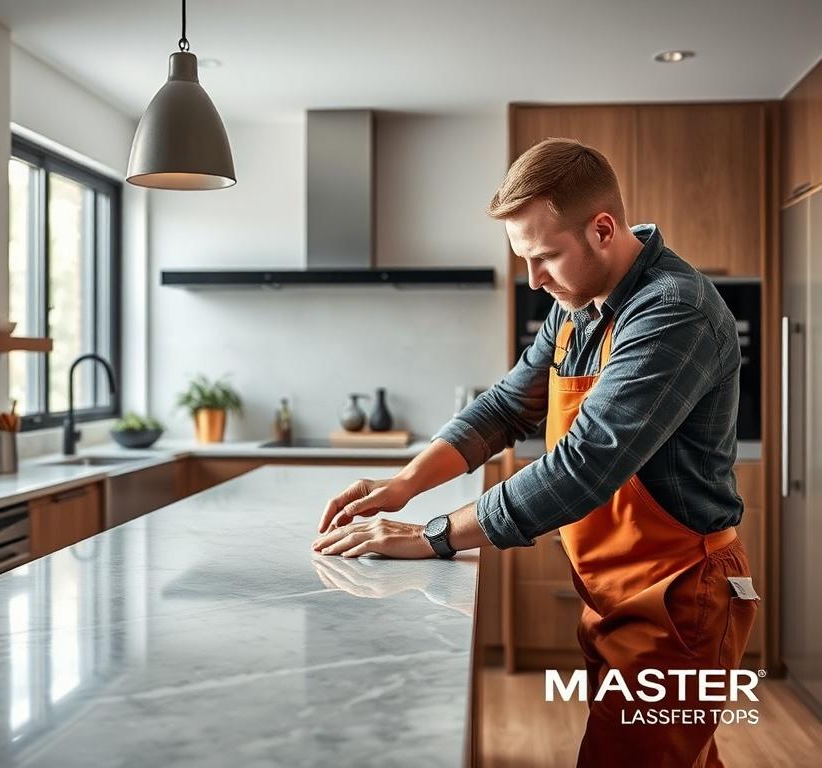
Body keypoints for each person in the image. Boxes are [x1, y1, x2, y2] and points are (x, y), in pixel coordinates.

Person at [312, 138, 758, 768]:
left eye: (544, 257)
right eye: (524, 259)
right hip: (618, 590)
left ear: (602, 229)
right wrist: (405, 483)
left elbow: (582, 468)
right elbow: (504, 407)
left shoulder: (671, 312)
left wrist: (431, 535)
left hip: (681, 596)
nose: (534, 280)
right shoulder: (577, 308)